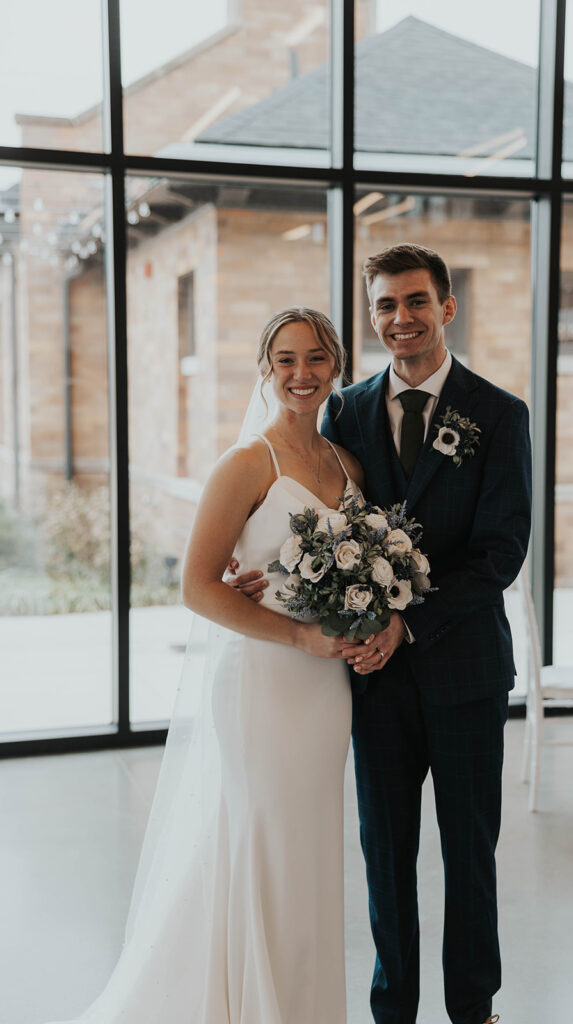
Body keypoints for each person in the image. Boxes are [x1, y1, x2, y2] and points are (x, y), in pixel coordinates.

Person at [235, 243, 532, 1024]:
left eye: (414, 302)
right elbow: (319, 525)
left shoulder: (498, 414)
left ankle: (474, 1007)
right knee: (385, 858)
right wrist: (272, 580)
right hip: (371, 677)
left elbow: (501, 551)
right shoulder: (346, 410)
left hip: (464, 671)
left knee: (468, 857)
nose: (400, 319)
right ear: (371, 317)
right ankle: (390, 1008)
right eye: (384, 306)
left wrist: (411, 621)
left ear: (446, 308)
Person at [47, 307, 362, 1024]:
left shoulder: (350, 466)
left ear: (335, 365)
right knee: (261, 840)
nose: (301, 374)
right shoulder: (248, 462)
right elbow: (195, 586)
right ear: (264, 369)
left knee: (307, 850)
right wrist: (295, 638)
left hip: (327, 688)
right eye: (284, 360)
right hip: (263, 680)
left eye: (314, 358)